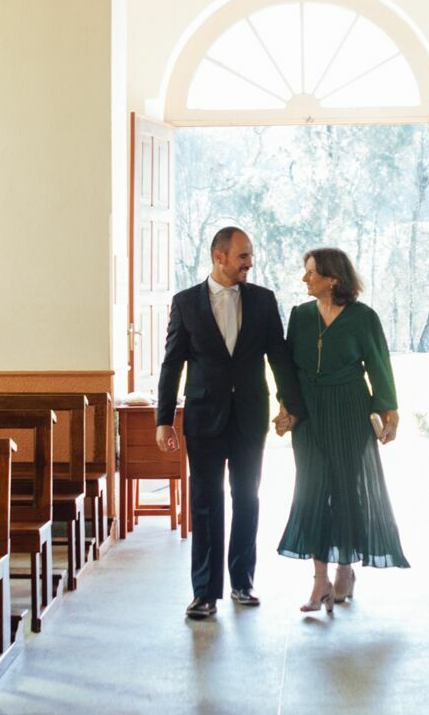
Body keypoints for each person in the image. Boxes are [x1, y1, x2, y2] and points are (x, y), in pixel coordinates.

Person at [156, 225, 302, 621]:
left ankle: (243, 582)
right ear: (219, 257)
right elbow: (172, 364)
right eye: (243, 256)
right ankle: (204, 593)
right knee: (205, 502)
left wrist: (289, 404)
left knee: (247, 498)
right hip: (203, 418)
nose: (249, 263)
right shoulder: (185, 303)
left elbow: (279, 356)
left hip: (250, 417)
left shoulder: (263, 300)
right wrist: (163, 419)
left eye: (250, 255)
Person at [276, 248, 409, 613]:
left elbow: (379, 366)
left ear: (333, 279)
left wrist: (389, 414)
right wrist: (286, 407)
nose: (305, 278)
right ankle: (319, 579)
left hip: (350, 409)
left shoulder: (363, 318)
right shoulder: (300, 315)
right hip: (310, 413)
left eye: (311, 272)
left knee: (346, 491)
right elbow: (288, 369)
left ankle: (344, 569)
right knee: (312, 491)